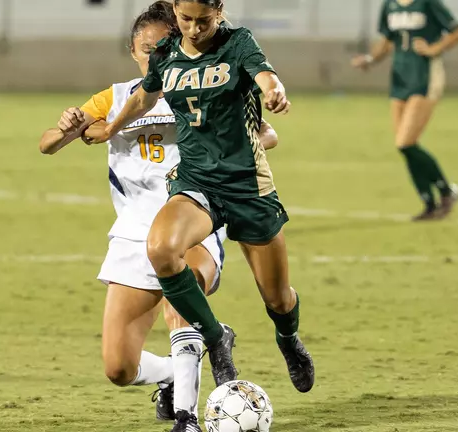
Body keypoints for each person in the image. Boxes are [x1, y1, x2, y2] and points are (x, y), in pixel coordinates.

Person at [39, 2, 279, 430]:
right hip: (133, 234)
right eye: (145, 49)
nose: (154, 56)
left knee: (178, 302)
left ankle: (185, 417)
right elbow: (48, 144)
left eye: (160, 46)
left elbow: (266, 134)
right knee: (118, 368)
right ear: (133, 51)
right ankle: (172, 373)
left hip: (194, 219)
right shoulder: (115, 99)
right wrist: (68, 125)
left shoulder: (204, 84)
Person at [86, 0, 315, 410]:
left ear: (220, 12)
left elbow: (265, 76)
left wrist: (274, 90)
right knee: (161, 249)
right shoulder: (166, 55)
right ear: (175, 11)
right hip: (196, 182)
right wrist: (111, 128)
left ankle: (288, 339)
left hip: (248, 186)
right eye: (186, 19)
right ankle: (215, 338)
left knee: (278, 298)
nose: (194, 29)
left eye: (203, 21)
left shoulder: (238, 43)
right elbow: (142, 97)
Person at [352, 0, 458, 220]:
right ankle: (430, 204)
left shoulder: (428, 3)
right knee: (404, 146)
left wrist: (435, 48)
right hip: (400, 77)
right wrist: (369, 59)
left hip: (424, 76)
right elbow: (386, 41)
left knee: (405, 141)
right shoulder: (390, 5)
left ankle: (446, 191)